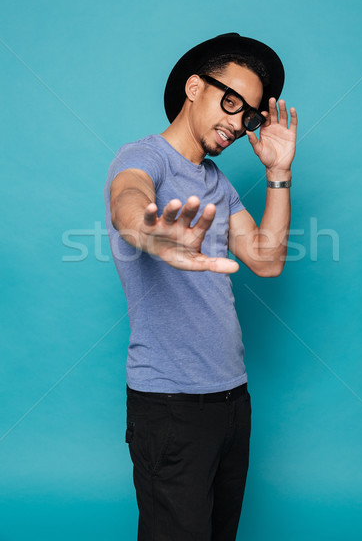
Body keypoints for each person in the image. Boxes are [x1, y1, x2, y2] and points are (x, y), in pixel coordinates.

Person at [103, 32, 297, 540]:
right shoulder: (144, 156)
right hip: (170, 407)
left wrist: (279, 173)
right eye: (230, 102)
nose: (236, 123)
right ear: (194, 87)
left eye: (248, 115)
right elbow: (128, 195)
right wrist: (147, 231)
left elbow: (267, 259)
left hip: (232, 401)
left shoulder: (217, 182)